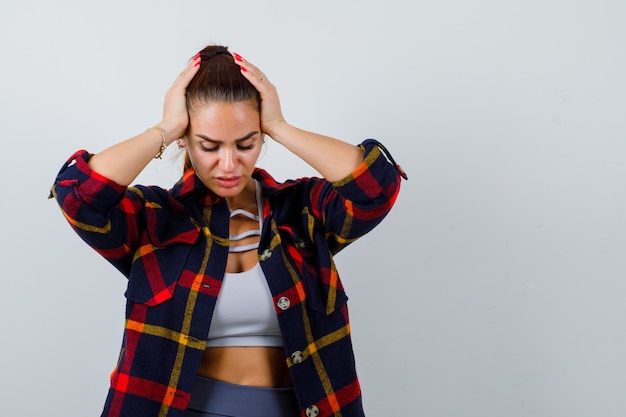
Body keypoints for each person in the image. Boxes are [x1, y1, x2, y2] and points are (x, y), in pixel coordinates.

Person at [50, 44, 407, 417]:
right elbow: (77, 196)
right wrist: (166, 127)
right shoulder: (155, 218)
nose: (229, 164)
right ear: (186, 139)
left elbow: (376, 188)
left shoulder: (302, 211)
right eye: (209, 145)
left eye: (246, 143)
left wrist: (280, 126)